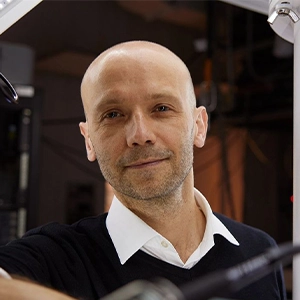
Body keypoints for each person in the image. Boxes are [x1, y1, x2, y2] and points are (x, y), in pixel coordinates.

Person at [0, 41, 286, 300]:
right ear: (89, 141)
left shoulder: (259, 250)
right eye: (113, 114)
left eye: (161, 108)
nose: (140, 134)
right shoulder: (54, 259)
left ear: (199, 126)